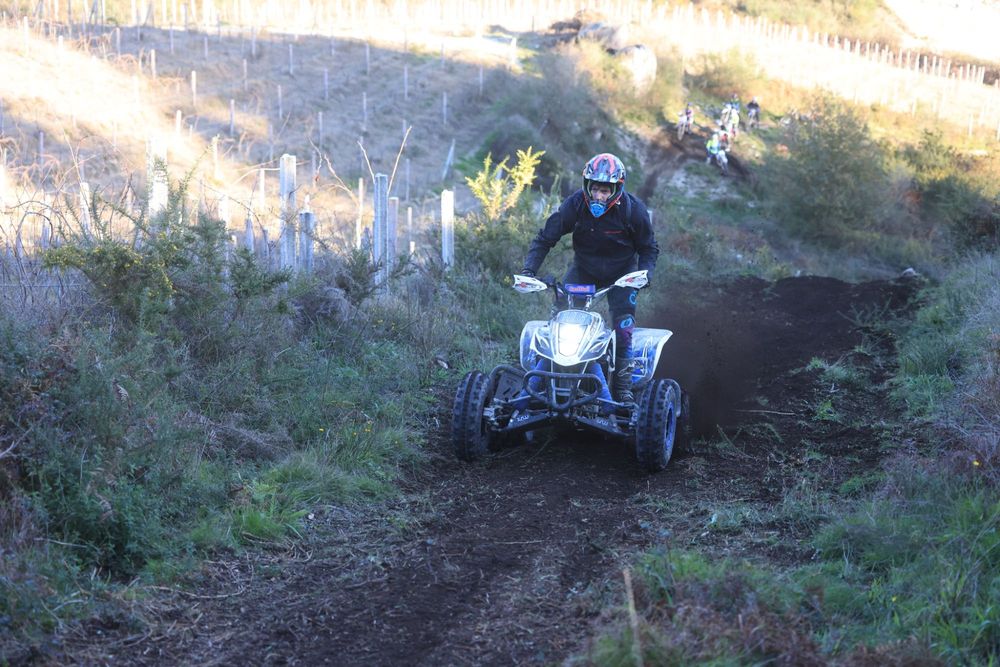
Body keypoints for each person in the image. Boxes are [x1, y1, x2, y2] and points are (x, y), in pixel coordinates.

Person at [520, 153, 659, 404]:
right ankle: (544, 379)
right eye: (594, 189)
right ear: (587, 186)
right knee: (559, 318)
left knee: (623, 326)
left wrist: (644, 275)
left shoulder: (633, 210)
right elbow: (545, 238)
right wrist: (529, 271)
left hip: (622, 275)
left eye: (605, 191)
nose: (599, 196)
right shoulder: (575, 205)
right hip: (583, 271)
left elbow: (649, 248)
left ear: (616, 189)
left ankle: (622, 387)